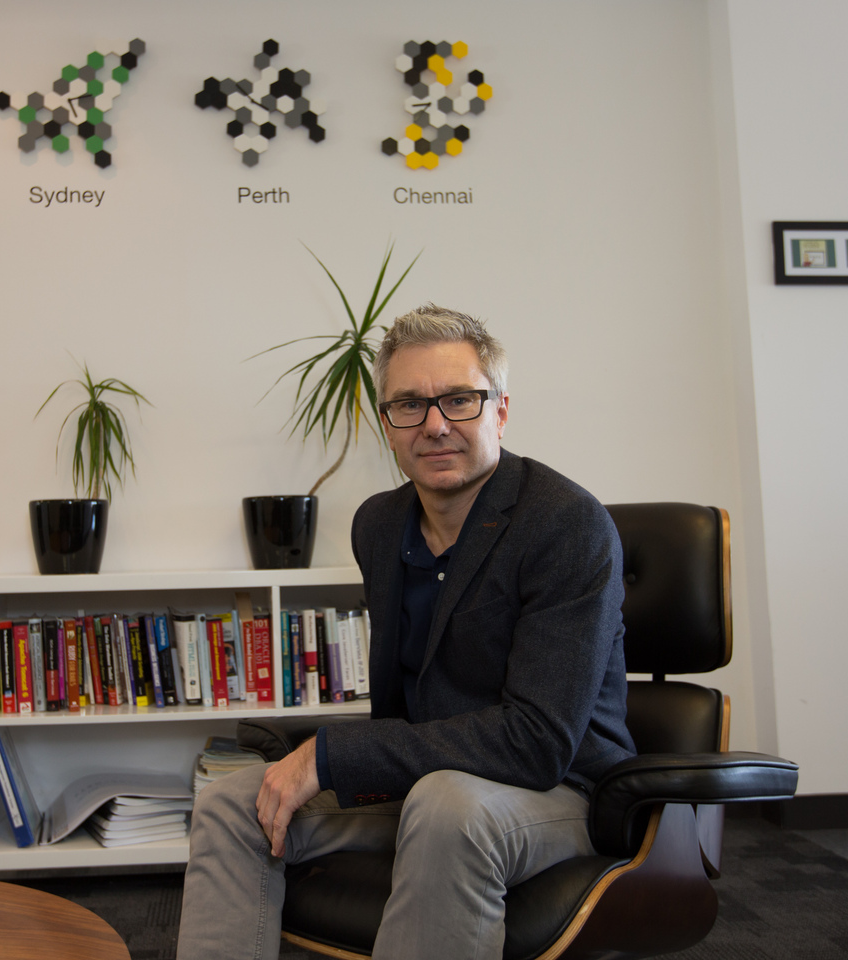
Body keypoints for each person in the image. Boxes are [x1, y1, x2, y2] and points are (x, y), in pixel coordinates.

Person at [177, 305, 634, 960]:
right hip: (423, 784)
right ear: (386, 424)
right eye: (410, 405)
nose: (435, 425)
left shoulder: (565, 524)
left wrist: (331, 756)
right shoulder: (379, 525)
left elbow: (538, 742)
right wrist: (330, 762)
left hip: (561, 790)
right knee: (230, 803)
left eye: (460, 400)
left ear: (501, 411)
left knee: (447, 807)